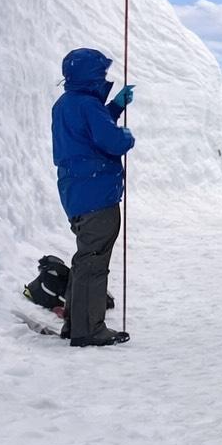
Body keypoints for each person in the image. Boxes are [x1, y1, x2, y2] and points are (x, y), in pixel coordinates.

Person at [50, 48, 134, 347]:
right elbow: (110, 140)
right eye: (100, 73)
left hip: (76, 192)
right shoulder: (88, 104)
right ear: (90, 75)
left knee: (84, 258)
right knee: (94, 262)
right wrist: (126, 136)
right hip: (97, 192)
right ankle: (88, 330)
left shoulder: (65, 103)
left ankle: (75, 323)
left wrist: (114, 107)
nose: (103, 77)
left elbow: (85, 130)